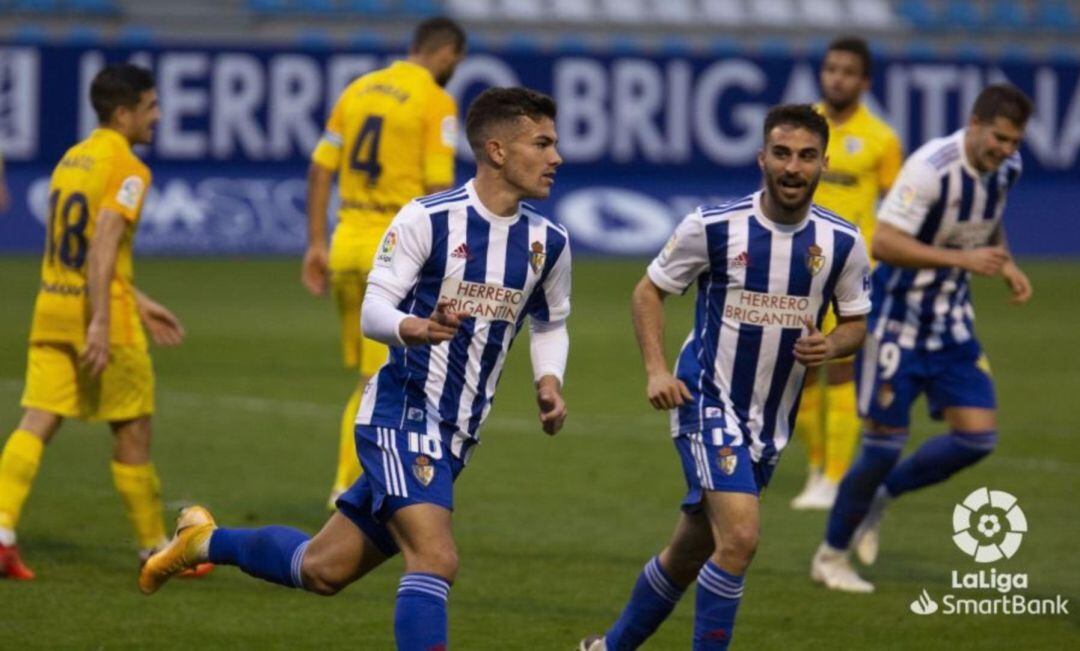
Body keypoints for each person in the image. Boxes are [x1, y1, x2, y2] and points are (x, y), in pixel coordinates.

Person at [140, 87, 570, 651]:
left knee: (322, 569)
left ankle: (202, 541)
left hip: (457, 434)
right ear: (495, 150)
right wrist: (412, 327)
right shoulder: (427, 219)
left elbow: (550, 321)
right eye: (541, 143)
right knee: (435, 557)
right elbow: (374, 310)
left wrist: (548, 381)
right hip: (400, 414)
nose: (556, 157)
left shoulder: (549, 242)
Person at [580, 104, 871, 651]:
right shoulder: (713, 227)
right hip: (706, 398)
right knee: (739, 539)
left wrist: (829, 344)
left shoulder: (842, 243)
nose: (792, 167)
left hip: (770, 419)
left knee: (688, 554)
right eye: (781, 153)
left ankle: (607, 648)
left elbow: (856, 323)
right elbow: (648, 291)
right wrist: (656, 370)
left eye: (806, 156)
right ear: (762, 157)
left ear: (824, 164)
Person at [811, 84, 1033, 593]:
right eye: (999, 137)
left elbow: (987, 223)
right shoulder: (930, 168)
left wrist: (1006, 263)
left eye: (1014, 142)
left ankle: (881, 499)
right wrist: (963, 261)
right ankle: (831, 556)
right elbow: (884, 242)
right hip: (896, 323)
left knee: (977, 437)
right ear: (975, 123)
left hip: (951, 323)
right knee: (883, 445)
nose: (1005, 149)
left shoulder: (1007, 170)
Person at [0, 64, 203, 580]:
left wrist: (135, 297)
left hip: (51, 307)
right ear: (124, 112)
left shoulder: (72, 159)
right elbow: (105, 239)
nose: (157, 116)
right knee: (133, 431)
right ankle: (154, 549)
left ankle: (1, 532)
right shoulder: (128, 167)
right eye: (151, 107)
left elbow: (83, 251)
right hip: (99, 320)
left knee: (37, 421)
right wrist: (102, 322)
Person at [302, 17, 467, 509]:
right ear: (446, 54)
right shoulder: (436, 100)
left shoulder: (358, 90)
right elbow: (438, 186)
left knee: (371, 374)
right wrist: (450, 254)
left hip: (346, 241)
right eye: (456, 61)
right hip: (393, 248)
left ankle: (358, 480)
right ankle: (345, 487)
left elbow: (319, 168)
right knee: (380, 380)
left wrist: (315, 243)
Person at [791, 36, 903, 510]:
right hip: (796, 265)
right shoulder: (801, 130)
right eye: (831, 68)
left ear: (864, 81)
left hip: (851, 273)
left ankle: (834, 478)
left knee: (838, 371)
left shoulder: (881, 139)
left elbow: (899, 209)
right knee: (796, 373)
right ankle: (818, 468)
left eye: (847, 71)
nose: (837, 77)